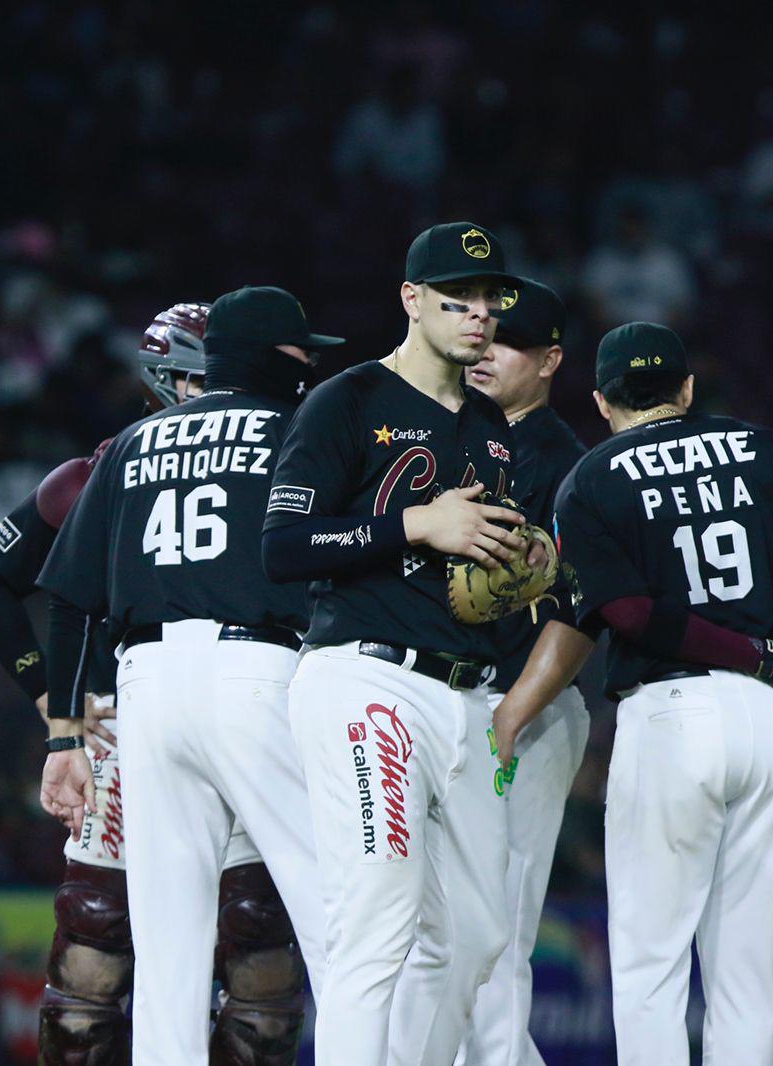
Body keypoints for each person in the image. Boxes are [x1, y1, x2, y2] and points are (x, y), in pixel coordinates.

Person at [516, 320, 773, 1063]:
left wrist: (758, 656)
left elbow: (630, 613)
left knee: (651, 962)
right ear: (687, 389)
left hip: (673, 715)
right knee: (751, 976)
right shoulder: (768, 452)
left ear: (603, 402)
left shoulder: (591, 479)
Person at [37, 287, 341, 1066]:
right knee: (337, 916)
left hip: (146, 686)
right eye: (302, 350)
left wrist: (65, 733)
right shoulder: (298, 428)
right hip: (259, 672)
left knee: (169, 950)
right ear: (272, 356)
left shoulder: (137, 440)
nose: (311, 364)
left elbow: (68, 595)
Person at [261, 221, 526, 1065]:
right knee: (375, 923)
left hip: (468, 691)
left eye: (491, 299)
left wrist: (521, 561)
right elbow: (283, 548)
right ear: (412, 300)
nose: (480, 314)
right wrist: (417, 523)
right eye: (460, 298)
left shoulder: (490, 422)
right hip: (367, 680)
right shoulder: (348, 400)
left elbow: (478, 556)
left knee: (481, 935)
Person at [393, 277, 588, 1066]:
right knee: (440, 928)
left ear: (549, 361)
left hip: (523, 709)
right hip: (449, 701)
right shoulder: (457, 430)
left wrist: (514, 713)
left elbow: (582, 611)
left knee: (497, 928)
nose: (486, 352)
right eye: (485, 334)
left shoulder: (561, 461)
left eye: (509, 344)